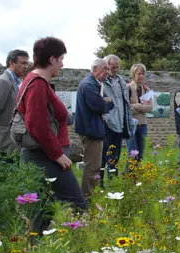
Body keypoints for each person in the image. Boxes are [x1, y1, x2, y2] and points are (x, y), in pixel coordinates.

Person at [17, 37, 87, 231]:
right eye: (61, 58)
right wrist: (57, 154)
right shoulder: (37, 83)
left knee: (42, 210)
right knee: (76, 204)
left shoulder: (35, 81)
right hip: (46, 156)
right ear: (52, 59)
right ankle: (82, 250)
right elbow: (36, 124)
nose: (62, 64)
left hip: (43, 154)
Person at [75, 59, 114, 198]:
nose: (107, 73)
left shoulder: (95, 84)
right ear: (95, 68)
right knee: (92, 167)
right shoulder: (88, 85)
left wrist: (107, 101)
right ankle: (87, 198)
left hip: (95, 129)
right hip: (91, 130)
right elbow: (99, 106)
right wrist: (106, 102)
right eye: (105, 69)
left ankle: (90, 195)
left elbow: (109, 102)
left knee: (95, 167)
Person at [0, 49, 29, 163]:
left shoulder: (16, 82)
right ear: (12, 63)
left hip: (13, 142)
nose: (26, 66)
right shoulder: (3, 81)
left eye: (27, 63)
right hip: (4, 141)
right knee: (4, 177)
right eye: (23, 63)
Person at [100, 54, 133, 181]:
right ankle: (100, 182)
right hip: (108, 123)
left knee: (115, 156)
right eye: (113, 67)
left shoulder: (121, 82)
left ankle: (113, 181)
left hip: (120, 123)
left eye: (117, 67)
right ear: (107, 66)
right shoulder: (102, 81)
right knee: (104, 155)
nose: (115, 70)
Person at [126, 63, 153, 162]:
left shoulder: (146, 90)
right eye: (139, 74)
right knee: (133, 154)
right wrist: (142, 107)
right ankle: (129, 176)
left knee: (140, 155)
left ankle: (138, 176)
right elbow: (127, 109)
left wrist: (136, 106)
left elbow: (150, 108)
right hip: (131, 125)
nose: (141, 76)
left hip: (142, 125)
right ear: (133, 74)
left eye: (143, 74)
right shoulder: (127, 88)